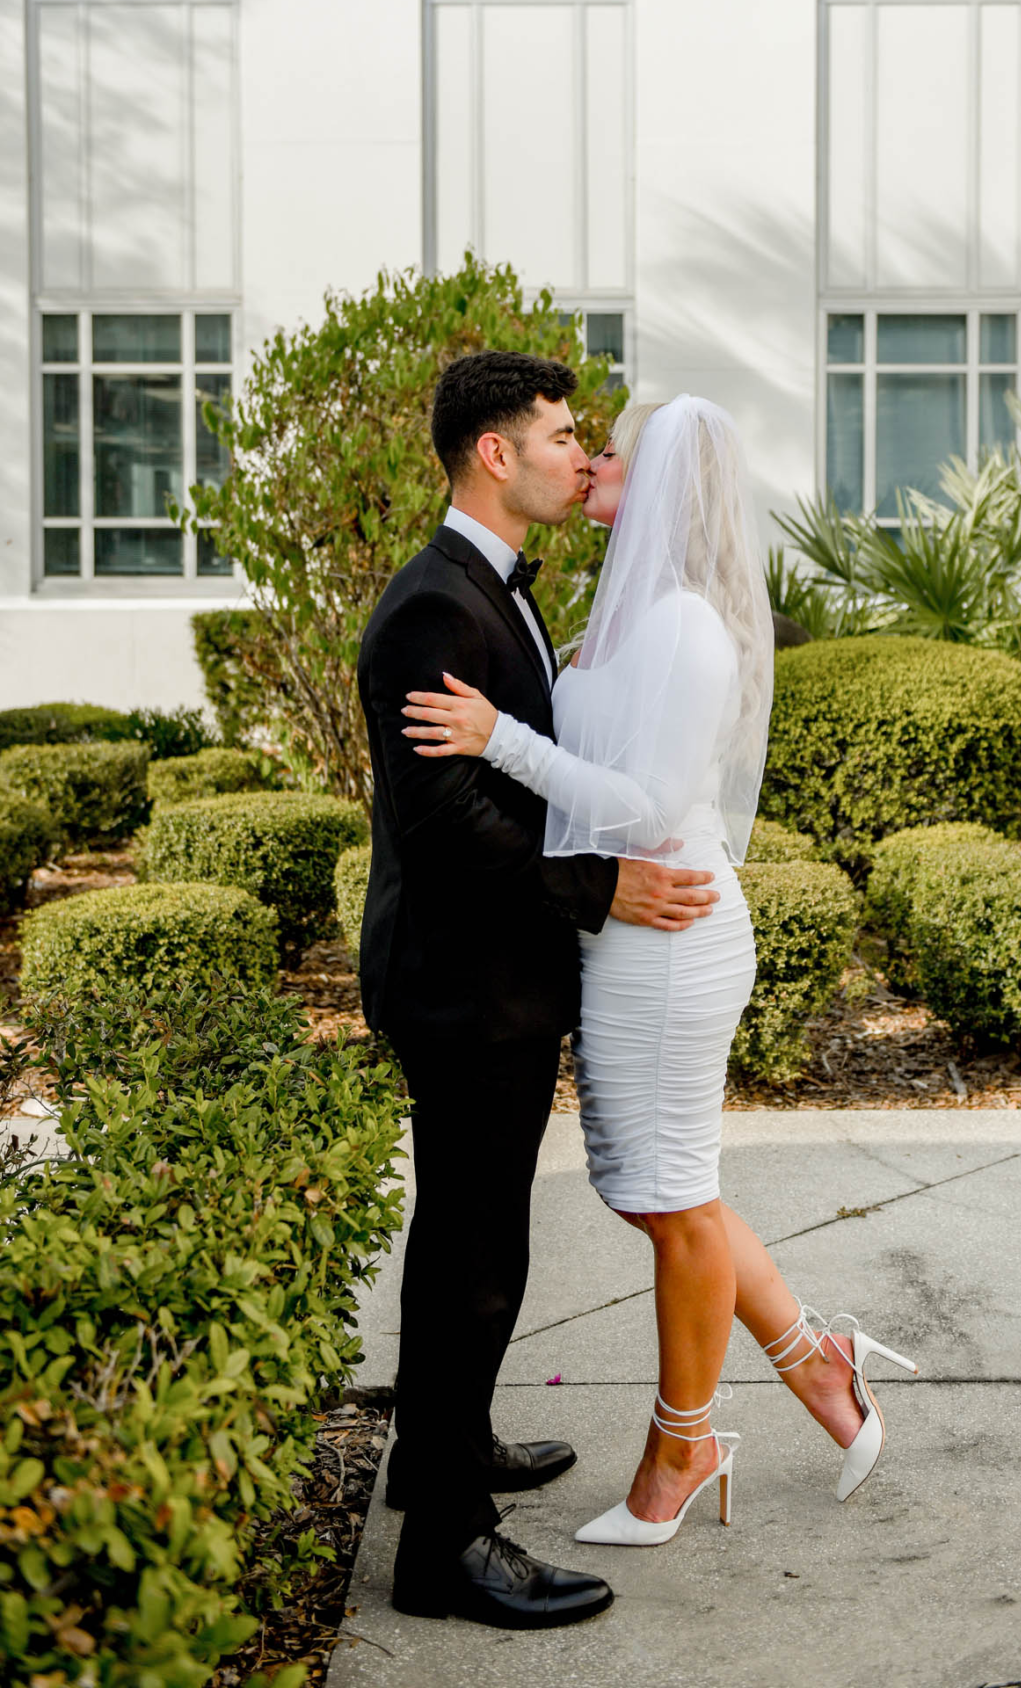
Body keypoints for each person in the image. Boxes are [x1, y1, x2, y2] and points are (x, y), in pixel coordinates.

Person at [402, 393, 919, 1548]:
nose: (590, 463)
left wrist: (499, 738)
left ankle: (683, 1445)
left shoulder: (685, 626)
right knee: (658, 1187)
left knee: (668, 1196)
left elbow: (642, 806)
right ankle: (817, 1362)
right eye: (582, 447)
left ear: (665, 484)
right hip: (619, 931)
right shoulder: (626, 609)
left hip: (673, 938)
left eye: (610, 453)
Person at [356, 352, 724, 1629]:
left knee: (475, 1241)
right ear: (495, 454)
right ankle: (445, 1549)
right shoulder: (432, 609)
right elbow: (444, 819)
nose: (583, 454)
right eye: (563, 436)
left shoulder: (490, 586)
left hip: (492, 976)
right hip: (461, 983)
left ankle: (442, 1455)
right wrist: (600, 889)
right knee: (474, 1260)